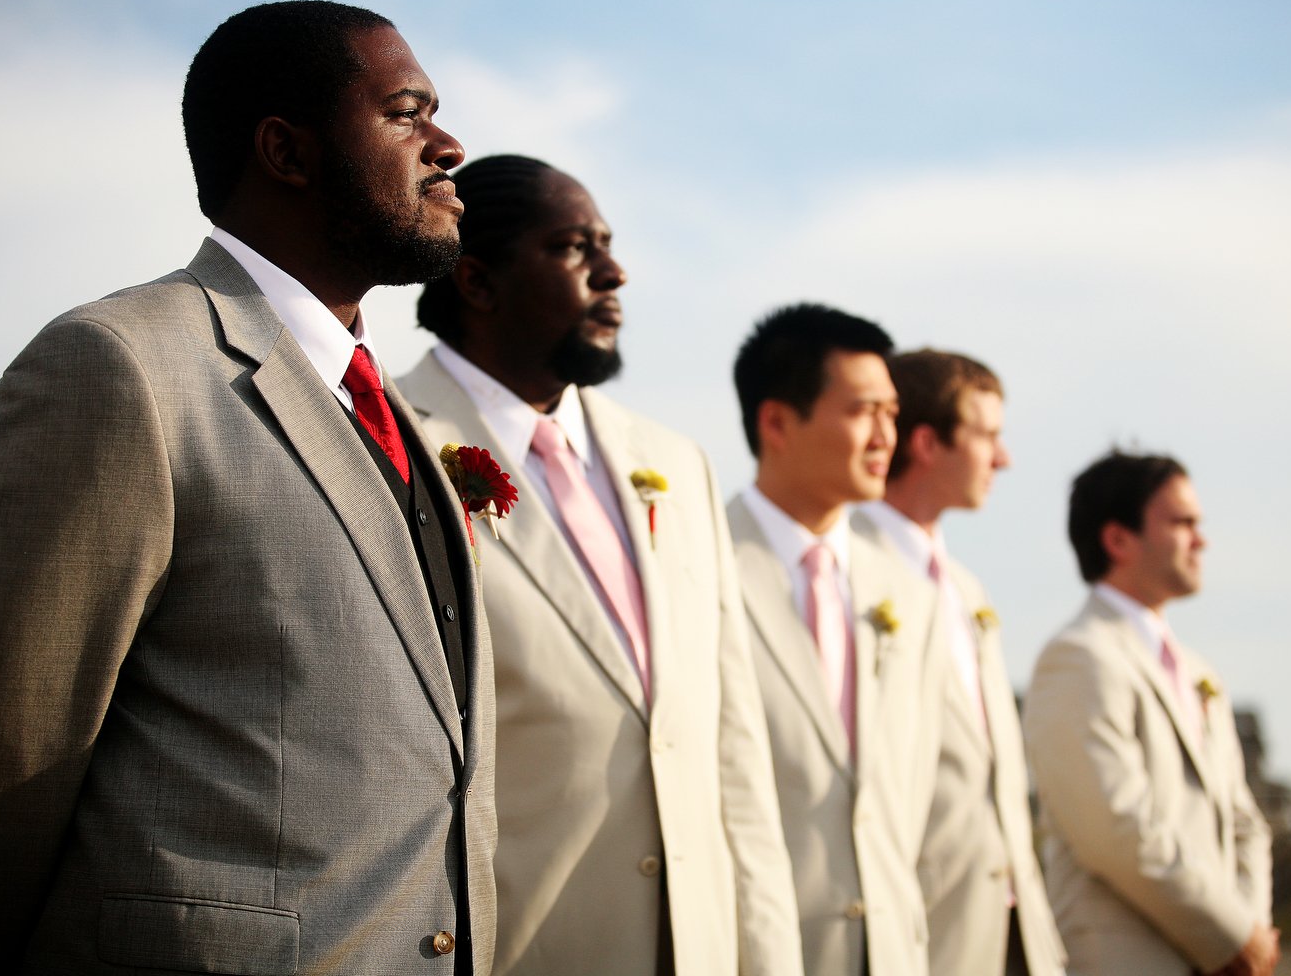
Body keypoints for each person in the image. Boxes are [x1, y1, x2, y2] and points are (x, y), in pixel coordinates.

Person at [0, 1, 496, 975]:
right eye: (406, 114)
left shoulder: (395, 417)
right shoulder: (118, 369)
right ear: (287, 149)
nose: (448, 146)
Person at [395, 155, 803, 976]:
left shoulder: (676, 465)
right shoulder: (390, 443)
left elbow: (732, 751)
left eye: (607, 245)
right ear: (476, 281)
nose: (614, 272)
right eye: (574, 248)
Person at [725, 304, 949, 975]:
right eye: (862, 411)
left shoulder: (910, 593)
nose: (887, 435)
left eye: (892, 412)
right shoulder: (699, 563)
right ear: (776, 422)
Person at [1023, 451, 1278, 976]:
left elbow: (1244, 820)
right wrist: (1230, 936)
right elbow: (1114, 828)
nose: (1201, 539)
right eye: (1182, 523)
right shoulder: (1077, 657)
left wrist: (1247, 929)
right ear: (1118, 539)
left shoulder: (1197, 669)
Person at [855, 349, 1067, 976]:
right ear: (926, 442)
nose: (1003, 458)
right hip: (919, 934)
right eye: (989, 436)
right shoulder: (844, 573)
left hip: (1012, 927)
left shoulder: (966, 589)